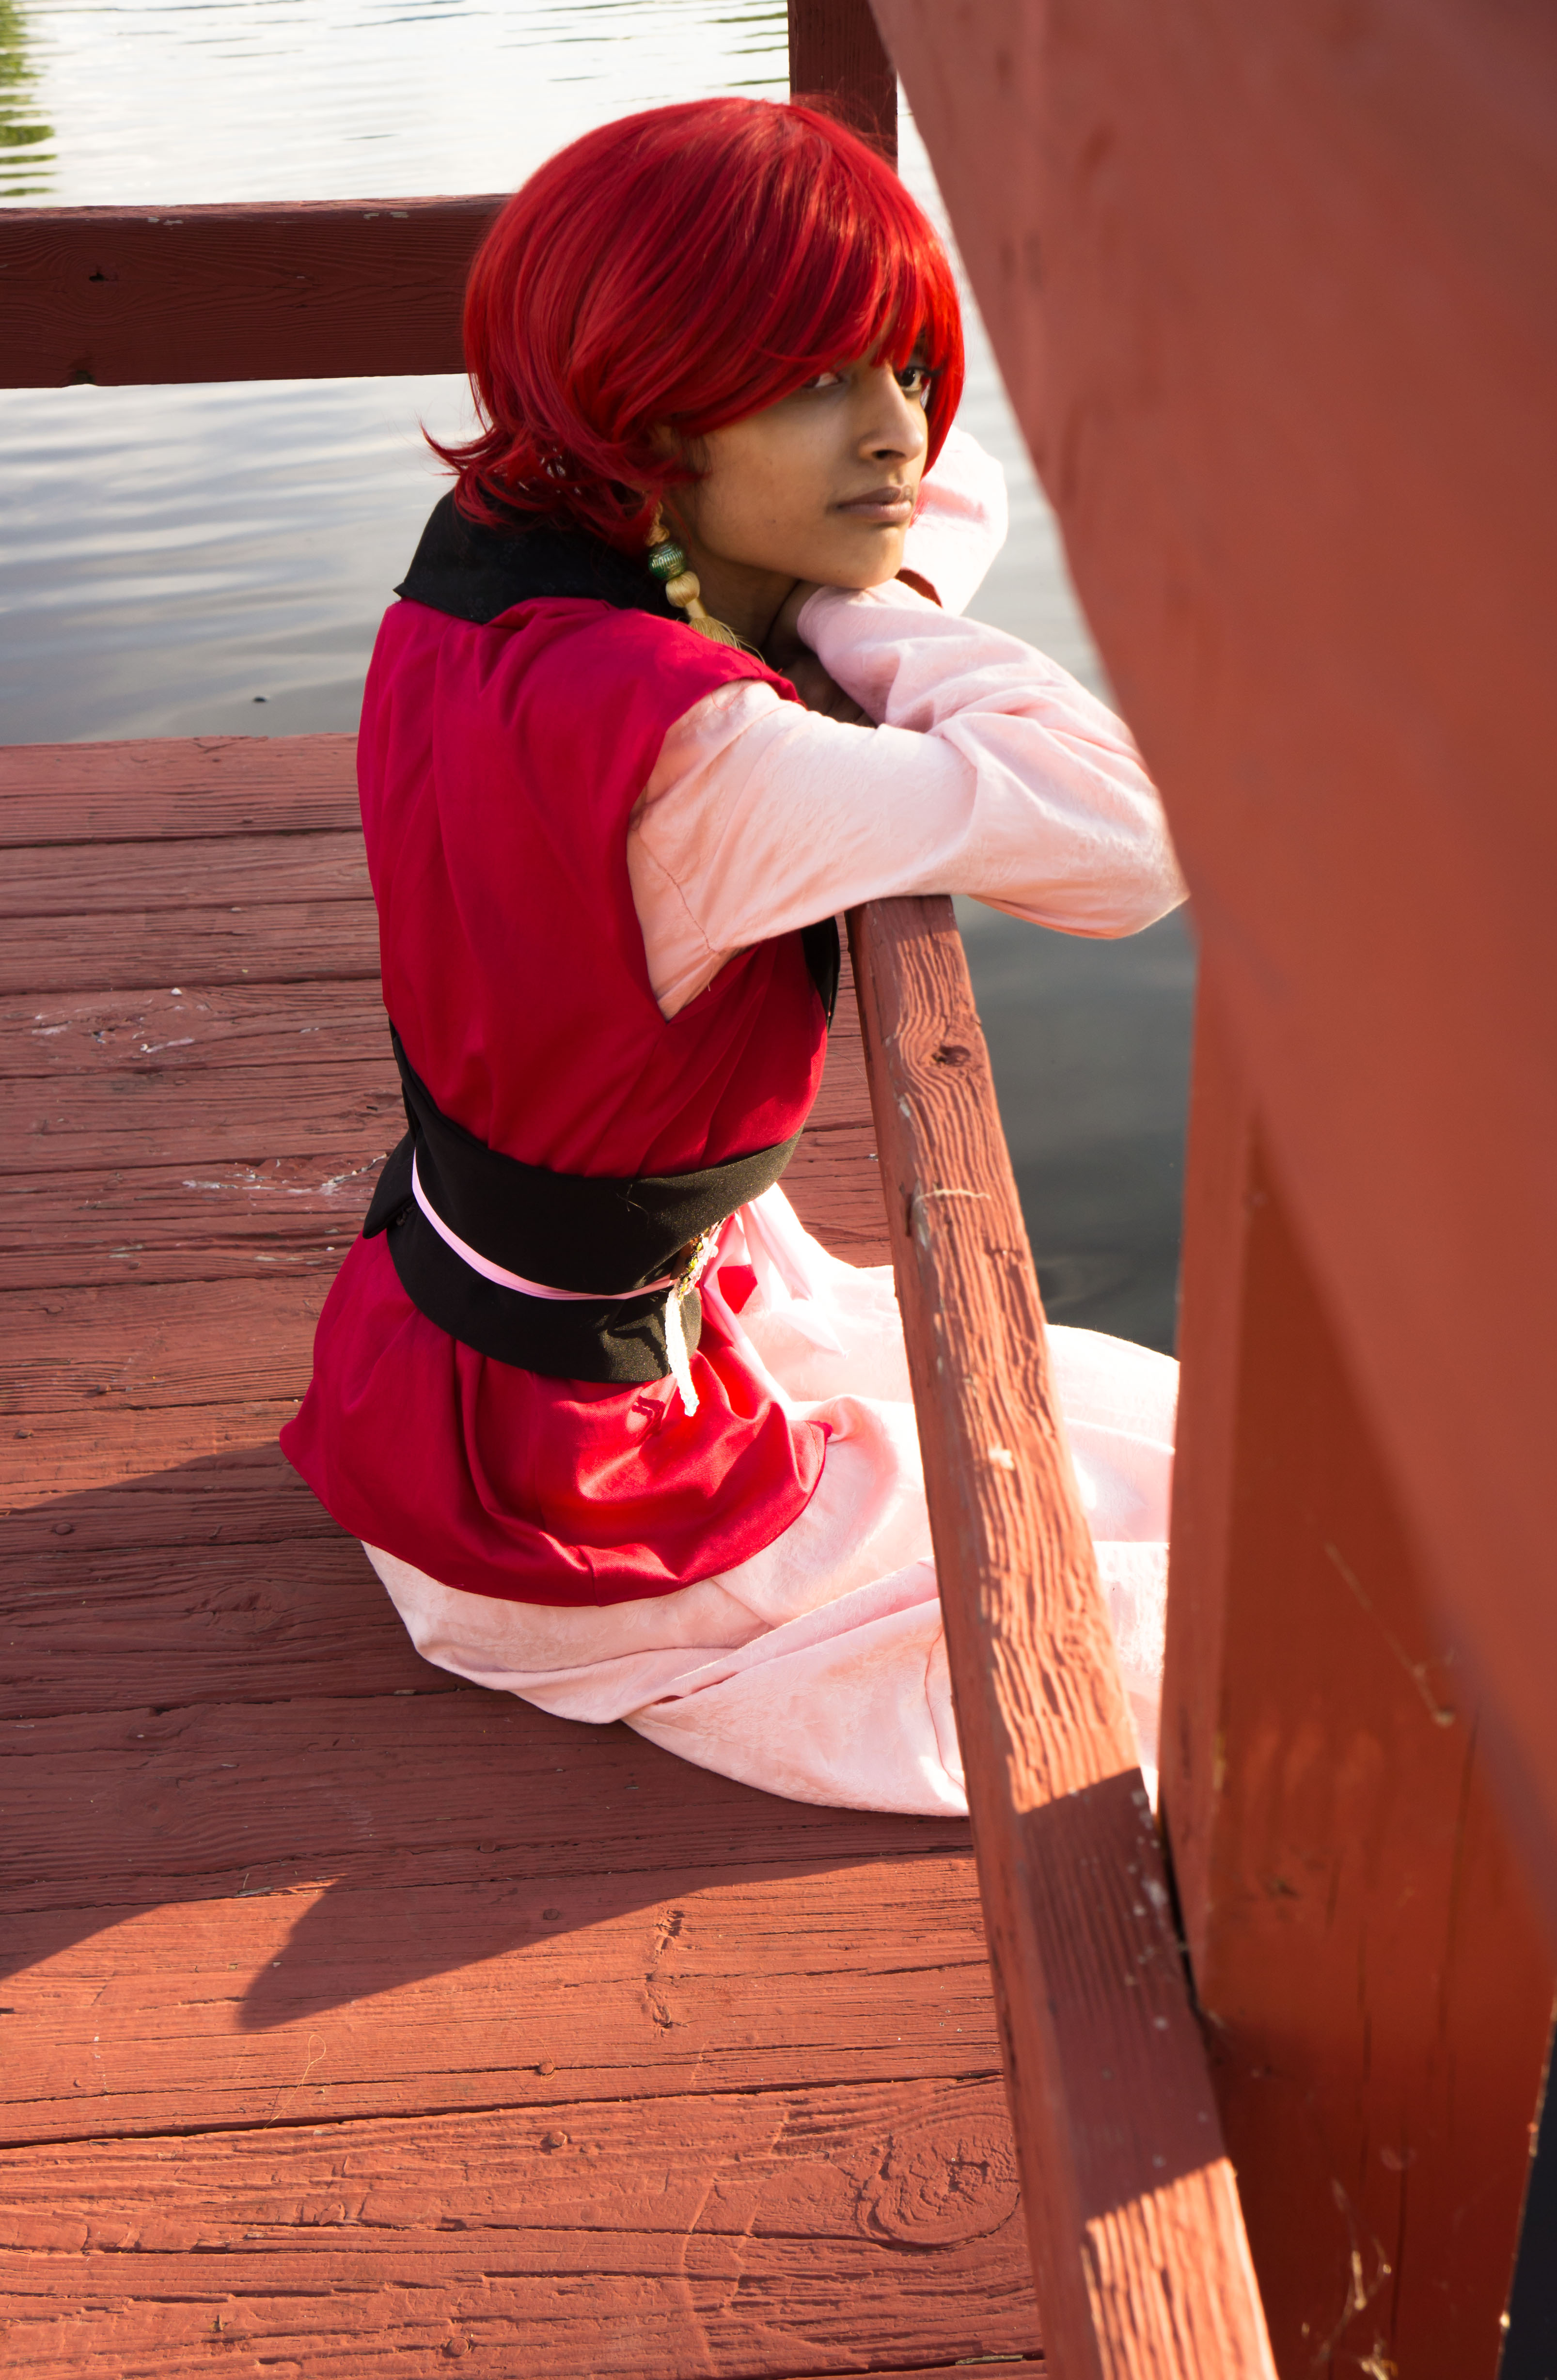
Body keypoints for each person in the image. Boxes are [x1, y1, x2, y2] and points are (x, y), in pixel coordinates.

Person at [282, 95, 1184, 1816]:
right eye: (818, 382)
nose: (899, 436)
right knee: (1162, 1604)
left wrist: (820, 589)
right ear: (640, 404)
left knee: (1155, 1442)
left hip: (445, 1347)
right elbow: (1124, 839)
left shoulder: (495, 572)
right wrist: (866, 613)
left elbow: (946, 487)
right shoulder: (706, 753)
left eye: (908, 367)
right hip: (572, 1482)